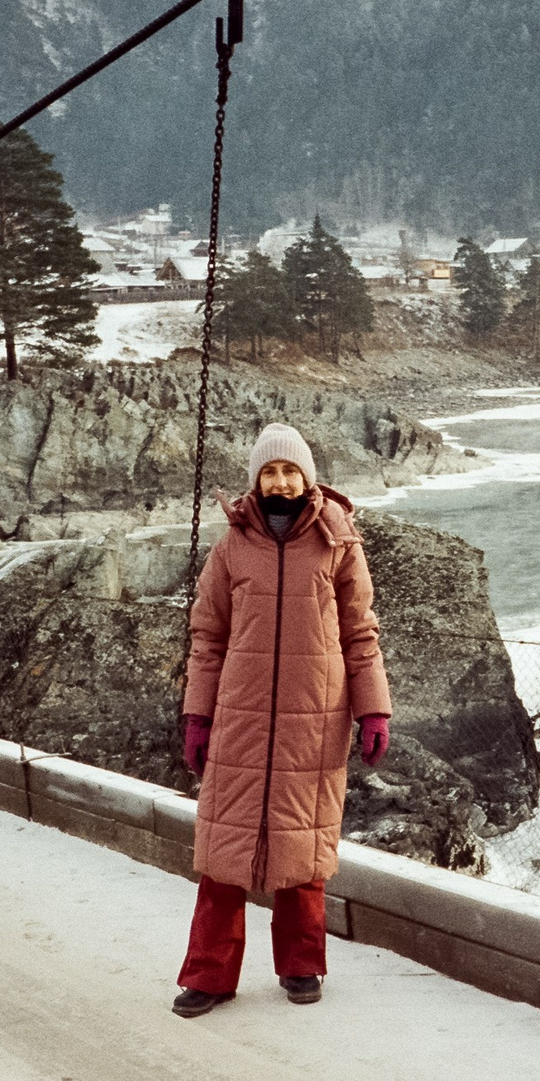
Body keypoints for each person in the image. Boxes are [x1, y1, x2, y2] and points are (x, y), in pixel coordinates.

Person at [174, 423, 392, 1017]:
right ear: (256, 480)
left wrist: (373, 709)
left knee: (303, 847)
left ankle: (301, 965)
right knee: (223, 854)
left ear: (307, 476)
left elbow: (361, 633)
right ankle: (209, 976)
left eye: (290, 470)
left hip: (313, 720)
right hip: (239, 721)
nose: (280, 481)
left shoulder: (339, 542)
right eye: (269, 472)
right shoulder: (231, 548)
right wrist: (198, 716)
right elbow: (207, 637)